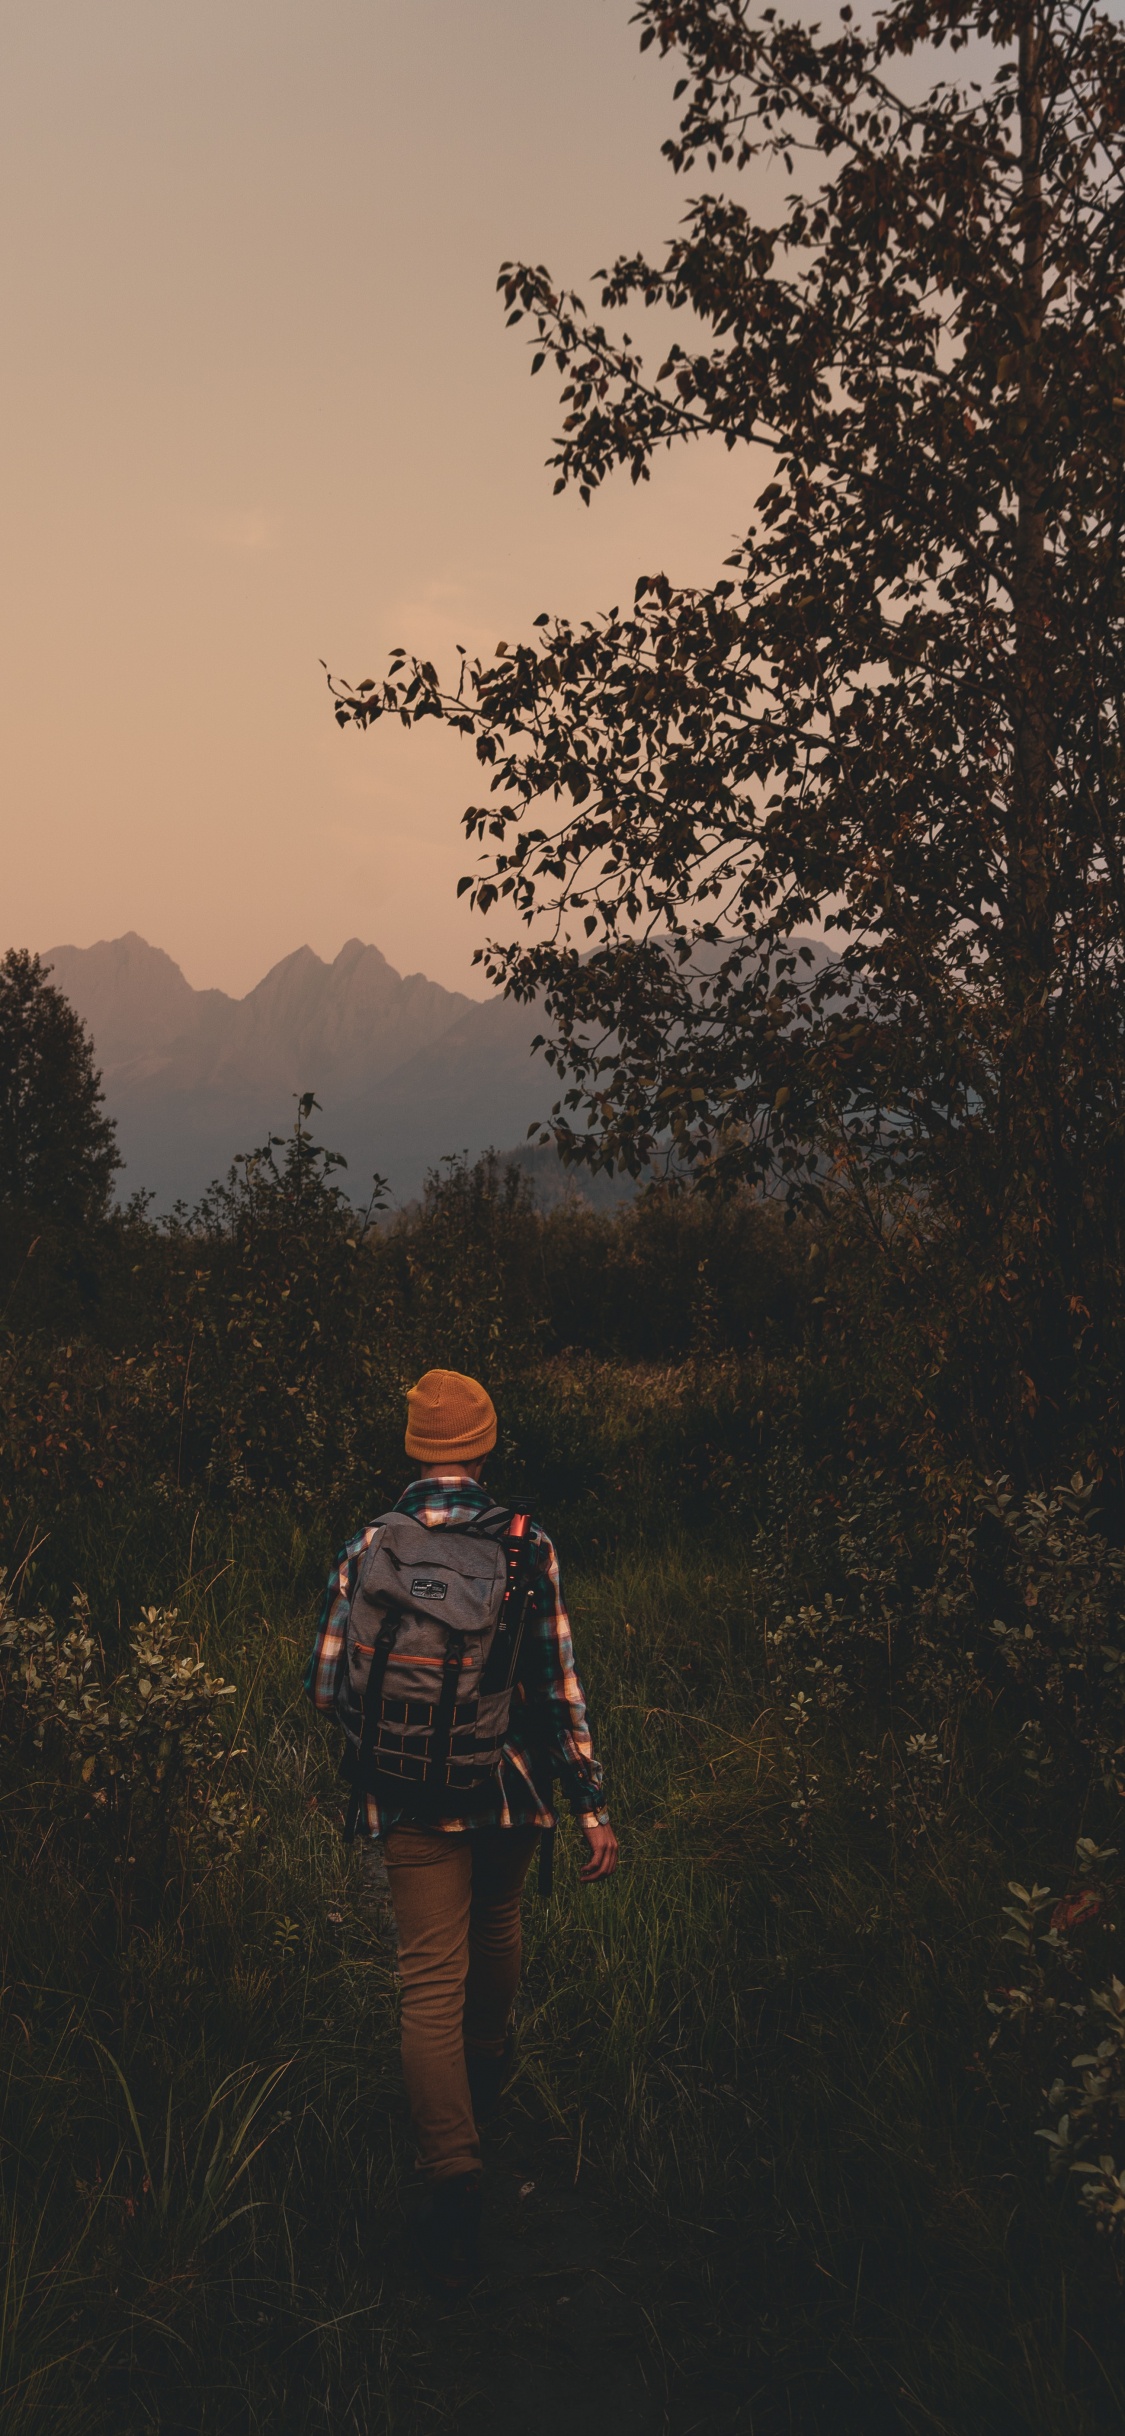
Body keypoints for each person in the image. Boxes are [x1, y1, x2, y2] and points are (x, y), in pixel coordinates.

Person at [305, 1365, 617, 2293]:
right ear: (481, 1446)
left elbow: (328, 1685)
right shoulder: (529, 1546)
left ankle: (452, 2181)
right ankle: (486, 2086)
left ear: (415, 1449)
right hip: (512, 1791)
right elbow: (560, 1686)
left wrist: (395, 1744)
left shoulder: (371, 1543)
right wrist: (590, 1801)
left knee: (426, 1979)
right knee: (498, 1925)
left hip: (406, 1798)